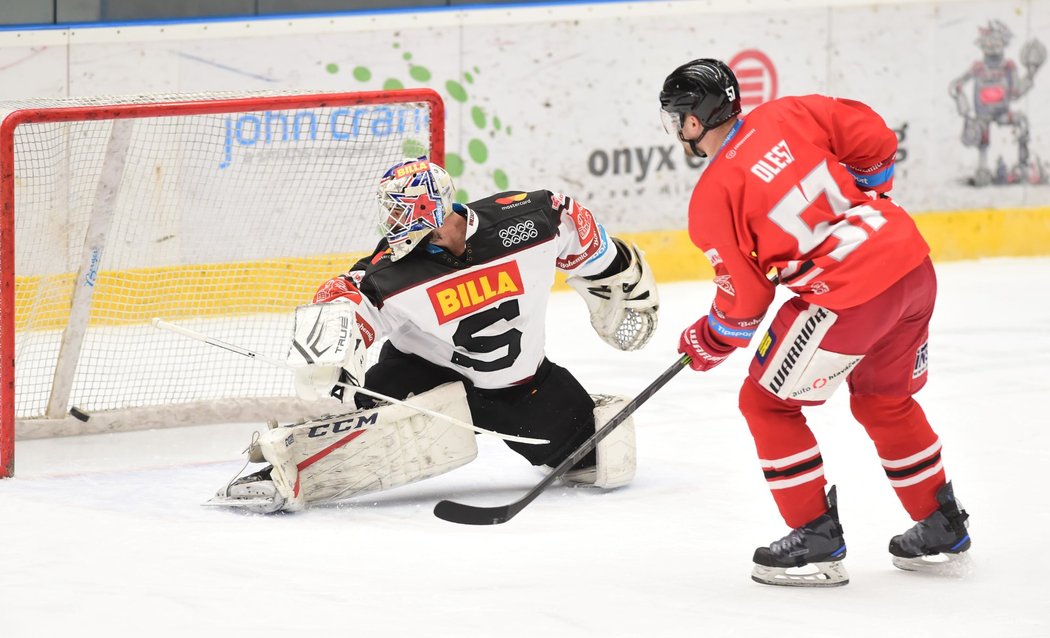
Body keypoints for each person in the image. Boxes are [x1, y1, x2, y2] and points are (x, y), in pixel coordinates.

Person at [659, 58, 971, 586]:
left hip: (850, 296)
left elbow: (745, 306)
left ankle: (815, 538)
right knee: (884, 400)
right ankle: (941, 522)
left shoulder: (711, 198)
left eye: (676, 120)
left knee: (766, 403)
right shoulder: (787, 113)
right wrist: (872, 196)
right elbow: (874, 137)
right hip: (912, 263)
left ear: (692, 122)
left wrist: (707, 340)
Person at [210, 156, 660, 513]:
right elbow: (347, 297)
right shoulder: (389, 273)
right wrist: (332, 346)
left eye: (396, 210)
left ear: (426, 209)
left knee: (597, 460)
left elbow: (598, 253)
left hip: (523, 387)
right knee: (354, 437)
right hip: (420, 379)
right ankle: (292, 454)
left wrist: (617, 289)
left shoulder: (535, 219)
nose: (388, 221)